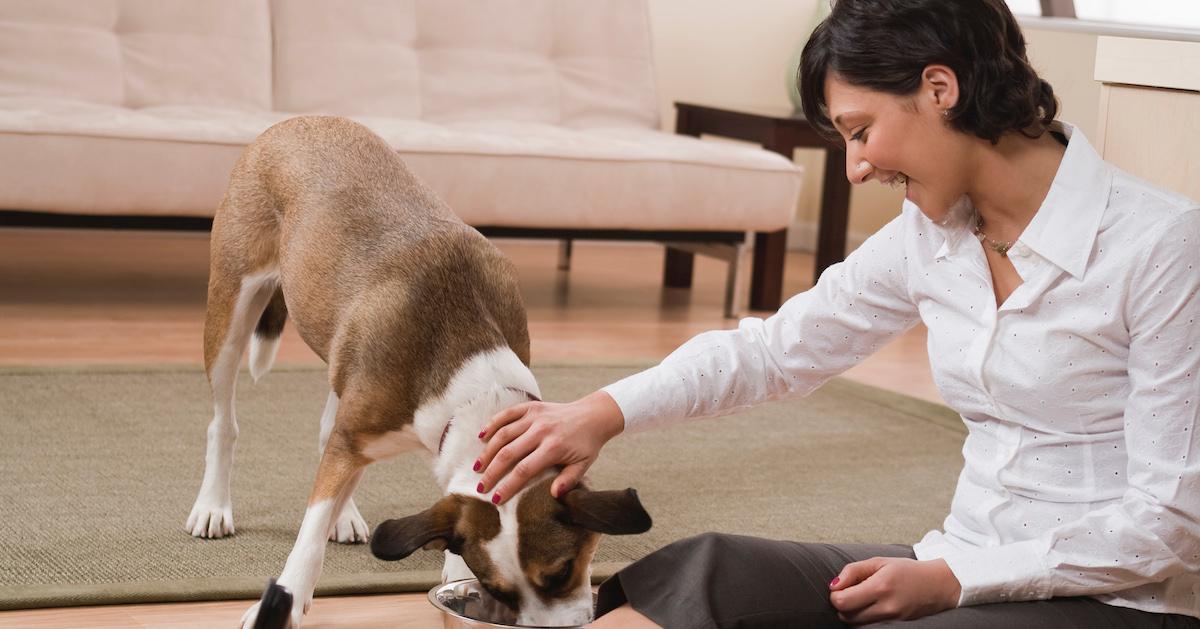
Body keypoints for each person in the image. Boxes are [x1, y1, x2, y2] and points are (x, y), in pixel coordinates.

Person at [474, 0, 1200, 626]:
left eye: (860, 131)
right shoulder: (933, 239)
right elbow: (775, 352)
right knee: (706, 572)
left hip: (1113, 603)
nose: (856, 167)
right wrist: (602, 410)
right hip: (950, 561)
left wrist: (955, 582)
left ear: (940, 88)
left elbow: (1169, 523)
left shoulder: (1161, 246)